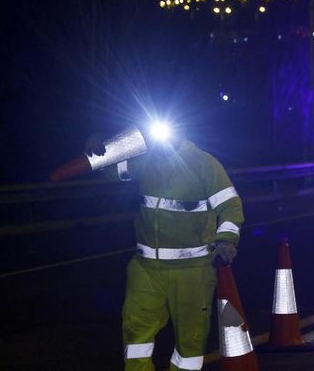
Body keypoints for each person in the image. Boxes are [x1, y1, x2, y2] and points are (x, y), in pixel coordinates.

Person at [85, 128, 244, 371]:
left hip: (192, 271)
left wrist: (226, 239)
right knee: (136, 332)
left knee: (190, 341)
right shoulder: (145, 160)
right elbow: (110, 171)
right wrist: (97, 150)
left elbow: (231, 206)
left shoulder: (203, 163)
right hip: (146, 267)